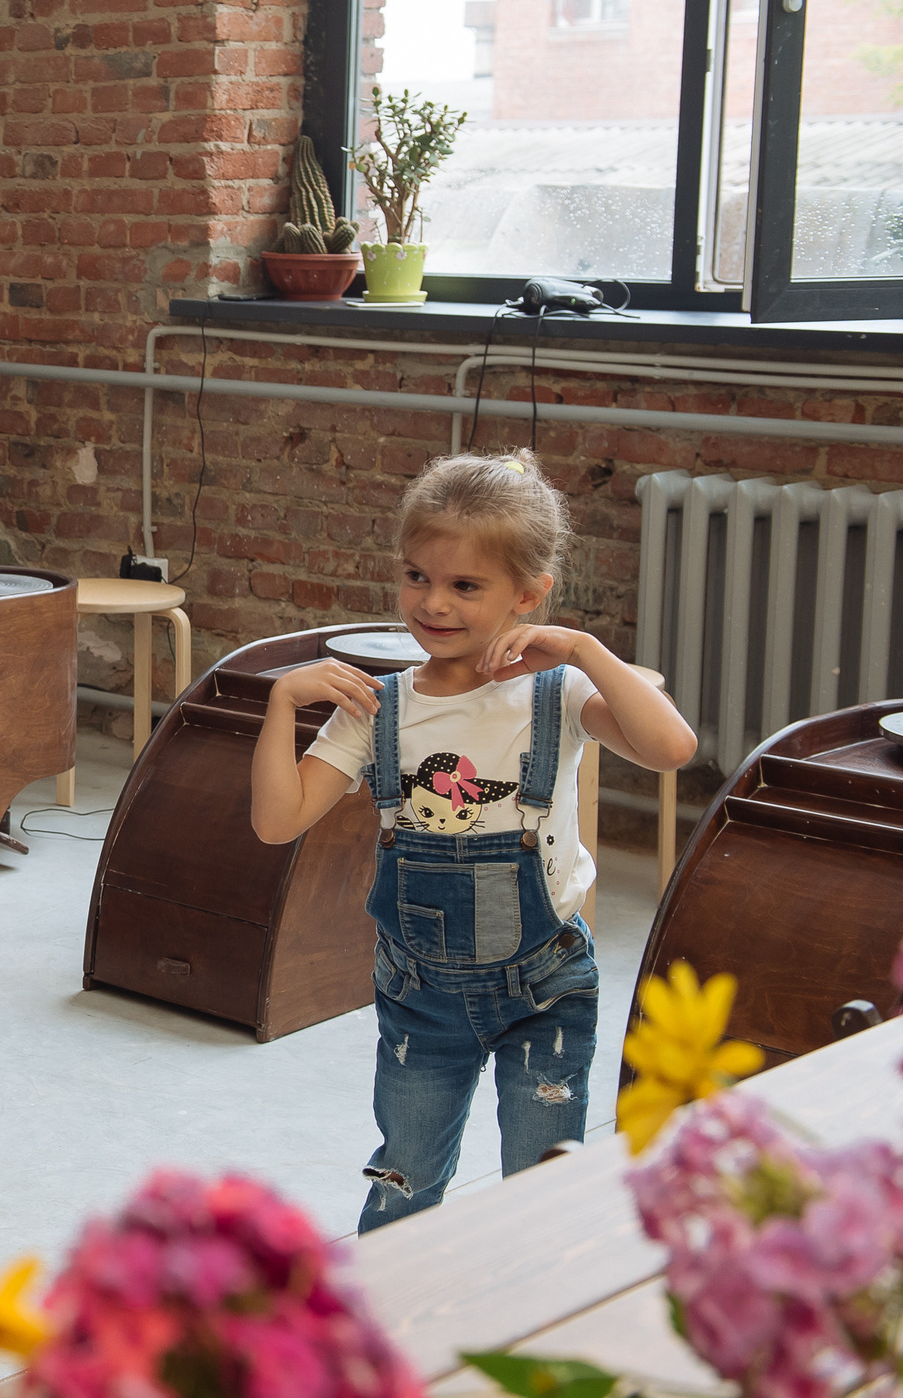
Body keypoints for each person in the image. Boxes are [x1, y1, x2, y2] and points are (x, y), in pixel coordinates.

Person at [248, 450, 695, 1232]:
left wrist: (584, 649)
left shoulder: (558, 692)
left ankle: (536, 1301)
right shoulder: (378, 708)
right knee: (403, 1180)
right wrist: (283, 701)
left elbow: (672, 749)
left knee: (543, 1181)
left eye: (464, 585)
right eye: (417, 576)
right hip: (419, 995)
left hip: (548, 985)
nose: (434, 602)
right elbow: (275, 821)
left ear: (528, 595)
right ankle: (391, 1302)